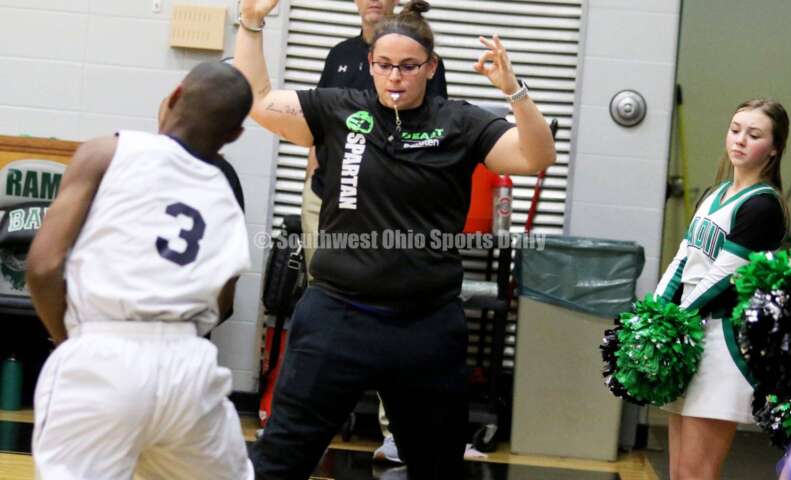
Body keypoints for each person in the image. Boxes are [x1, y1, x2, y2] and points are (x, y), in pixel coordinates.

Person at [234, 0, 555, 478]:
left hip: (424, 326)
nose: (396, 77)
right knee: (281, 459)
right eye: (384, 66)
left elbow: (535, 156)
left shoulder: (461, 123)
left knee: (436, 466)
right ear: (371, 66)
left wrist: (515, 91)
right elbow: (258, 100)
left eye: (408, 66)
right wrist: (251, 22)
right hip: (337, 315)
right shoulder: (339, 110)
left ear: (430, 67)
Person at [26, 61, 255, 480]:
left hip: (103, 352)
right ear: (235, 135)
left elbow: (43, 267)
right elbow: (223, 303)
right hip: (190, 368)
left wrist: (68, 339)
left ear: (172, 96)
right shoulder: (225, 196)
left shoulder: (107, 151)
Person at [301, 0, 449, 464]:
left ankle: (395, 433)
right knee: (321, 302)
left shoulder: (420, 60)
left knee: (394, 307)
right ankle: (316, 424)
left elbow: (437, 129)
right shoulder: (340, 54)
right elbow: (315, 128)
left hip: (391, 209)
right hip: (330, 199)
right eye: (383, 65)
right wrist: (315, 185)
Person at [654, 98, 789, 480]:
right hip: (691, 334)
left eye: (754, 134)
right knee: (680, 472)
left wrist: (673, 321)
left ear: (774, 148)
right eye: (735, 130)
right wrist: (652, 314)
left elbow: (722, 277)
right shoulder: (714, 193)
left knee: (698, 472)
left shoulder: (763, 206)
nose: (740, 140)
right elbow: (683, 259)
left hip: (722, 343)